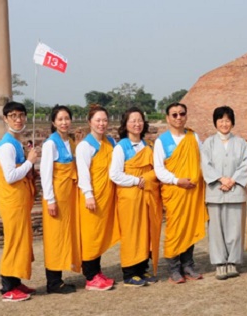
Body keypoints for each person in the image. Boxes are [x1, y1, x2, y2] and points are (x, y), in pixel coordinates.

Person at [154, 102, 207, 284]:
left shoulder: (193, 137)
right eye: (174, 115)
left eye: (181, 114)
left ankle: (188, 265)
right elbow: (159, 169)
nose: (178, 118)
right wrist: (178, 181)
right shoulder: (162, 141)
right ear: (168, 118)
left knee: (189, 227)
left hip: (192, 192)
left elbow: (203, 160)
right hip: (175, 191)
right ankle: (174, 268)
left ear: (186, 116)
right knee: (175, 229)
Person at [109, 107, 162, 287]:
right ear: (125, 124)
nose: (137, 124)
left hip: (147, 195)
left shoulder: (147, 146)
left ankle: (142, 268)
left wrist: (146, 179)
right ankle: (130, 272)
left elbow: (156, 170)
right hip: (130, 196)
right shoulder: (121, 147)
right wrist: (136, 180)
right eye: (132, 120)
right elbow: (115, 174)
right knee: (132, 232)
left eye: (139, 120)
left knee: (145, 231)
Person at [201, 106, 247, 280]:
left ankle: (233, 261)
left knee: (235, 228)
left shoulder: (241, 143)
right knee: (216, 229)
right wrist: (221, 179)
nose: (224, 123)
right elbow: (205, 165)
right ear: (215, 122)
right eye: (221, 120)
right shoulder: (208, 143)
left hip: (236, 191)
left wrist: (232, 180)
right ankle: (219, 262)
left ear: (232, 122)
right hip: (215, 191)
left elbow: (246, 164)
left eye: (227, 120)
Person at [0, 101, 38, 302]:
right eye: (13, 116)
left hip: (20, 199)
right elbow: (11, 175)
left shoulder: (15, 143)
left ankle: (15, 282)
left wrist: (28, 164)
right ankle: (7, 287)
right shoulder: (6, 145)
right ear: (5, 119)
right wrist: (30, 160)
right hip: (12, 200)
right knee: (14, 241)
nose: (18, 120)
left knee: (21, 240)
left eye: (21, 115)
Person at [76, 105, 119, 291]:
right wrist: (88, 194)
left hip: (107, 195)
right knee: (91, 235)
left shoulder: (110, 142)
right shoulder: (85, 146)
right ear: (89, 122)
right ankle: (90, 276)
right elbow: (83, 172)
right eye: (98, 120)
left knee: (100, 235)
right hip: (92, 196)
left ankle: (97, 271)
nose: (101, 124)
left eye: (104, 120)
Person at [40, 105, 80, 294]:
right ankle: (53, 281)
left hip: (68, 196)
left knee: (65, 235)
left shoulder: (69, 142)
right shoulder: (51, 144)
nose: (64, 122)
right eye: (60, 119)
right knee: (55, 237)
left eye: (67, 119)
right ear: (54, 122)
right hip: (56, 196)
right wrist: (50, 199)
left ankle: (60, 277)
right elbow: (46, 174)